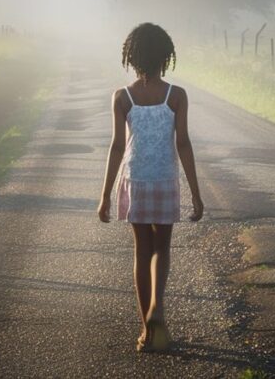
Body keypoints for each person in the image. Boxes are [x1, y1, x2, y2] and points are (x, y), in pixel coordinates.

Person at [97, 22, 205, 353]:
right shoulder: (177, 96)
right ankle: (158, 306)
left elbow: (117, 146)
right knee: (162, 249)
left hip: (134, 180)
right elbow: (184, 144)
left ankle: (147, 328)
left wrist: (104, 196)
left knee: (141, 252)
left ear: (133, 58)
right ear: (165, 58)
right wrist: (196, 194)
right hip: (165, 181)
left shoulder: (122, 97)